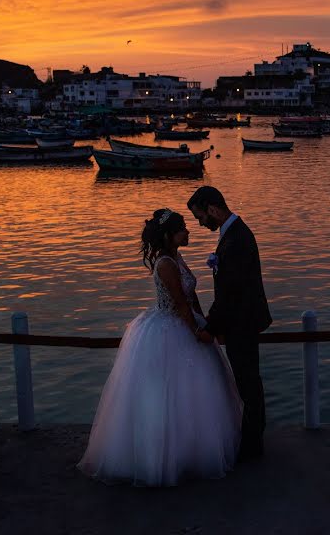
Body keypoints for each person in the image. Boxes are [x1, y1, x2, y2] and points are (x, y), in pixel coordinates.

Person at [78, 209, 242, 487]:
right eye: (182, 230)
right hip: (171, 328)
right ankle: (164, 457)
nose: (188, 232)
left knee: (195, 394)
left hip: (188, 320)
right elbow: (179, 303)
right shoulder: (165, 263)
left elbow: (190, 297)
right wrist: (196, 332)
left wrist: (208, 325)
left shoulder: (177, 257)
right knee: (168, 394)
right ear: (169, 235)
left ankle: (192, 450)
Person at [187, 186, 272, 460]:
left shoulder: (235, 241)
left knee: (248, 383)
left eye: (201, 217)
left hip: (241, 322)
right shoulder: (234, 235)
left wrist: (210, 328)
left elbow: (229, 294)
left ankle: (252, 446)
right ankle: (251, 441)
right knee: (248, 382)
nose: (201, 224)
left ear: (213, 209)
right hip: (241, 320)